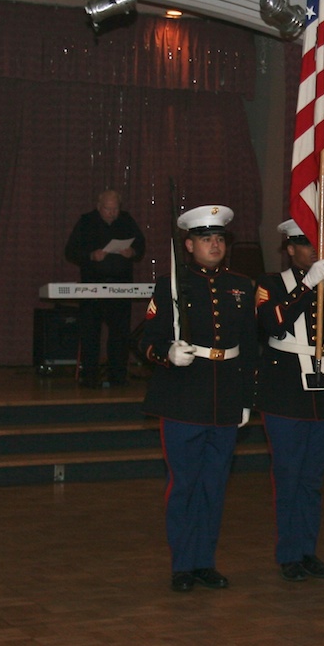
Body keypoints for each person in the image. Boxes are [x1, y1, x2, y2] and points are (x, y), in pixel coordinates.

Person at [140, 204, 256, 593]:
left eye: (220, 238)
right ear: (188, 245)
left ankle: (205, 561)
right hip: (184, 397)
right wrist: (166, 354)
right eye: (206, 239)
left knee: (214, 485)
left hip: (225, 395)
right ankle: (182, 563)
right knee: (185, 484)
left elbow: (250, 346)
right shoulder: (171, 285)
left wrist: (245, 398)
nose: (215, 245)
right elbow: (145, 339)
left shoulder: (241, 285)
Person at [254, 220, 324, 583]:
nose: (313, 252)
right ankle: (289, 554)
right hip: (285, 392)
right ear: (290, 249)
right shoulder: (271, 284)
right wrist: (307, 288)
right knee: (288, 476)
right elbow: (273, 324)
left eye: (318, 245)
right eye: (306, 245)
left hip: (323, 391)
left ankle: (308, 551)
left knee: (312, 479)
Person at [65, 189, 145, 387]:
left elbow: (141, 245)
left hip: (120, 285)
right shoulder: (86, 221)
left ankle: (117, 376)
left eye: (115, 209)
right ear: (99, 207)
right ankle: (90, 376)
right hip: (93, 284)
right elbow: (71, 251)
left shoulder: (127, 220)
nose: (112, 213)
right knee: (90, 333)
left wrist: (132, 252)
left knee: (120, 334)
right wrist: (91, 256)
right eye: (108, 209)